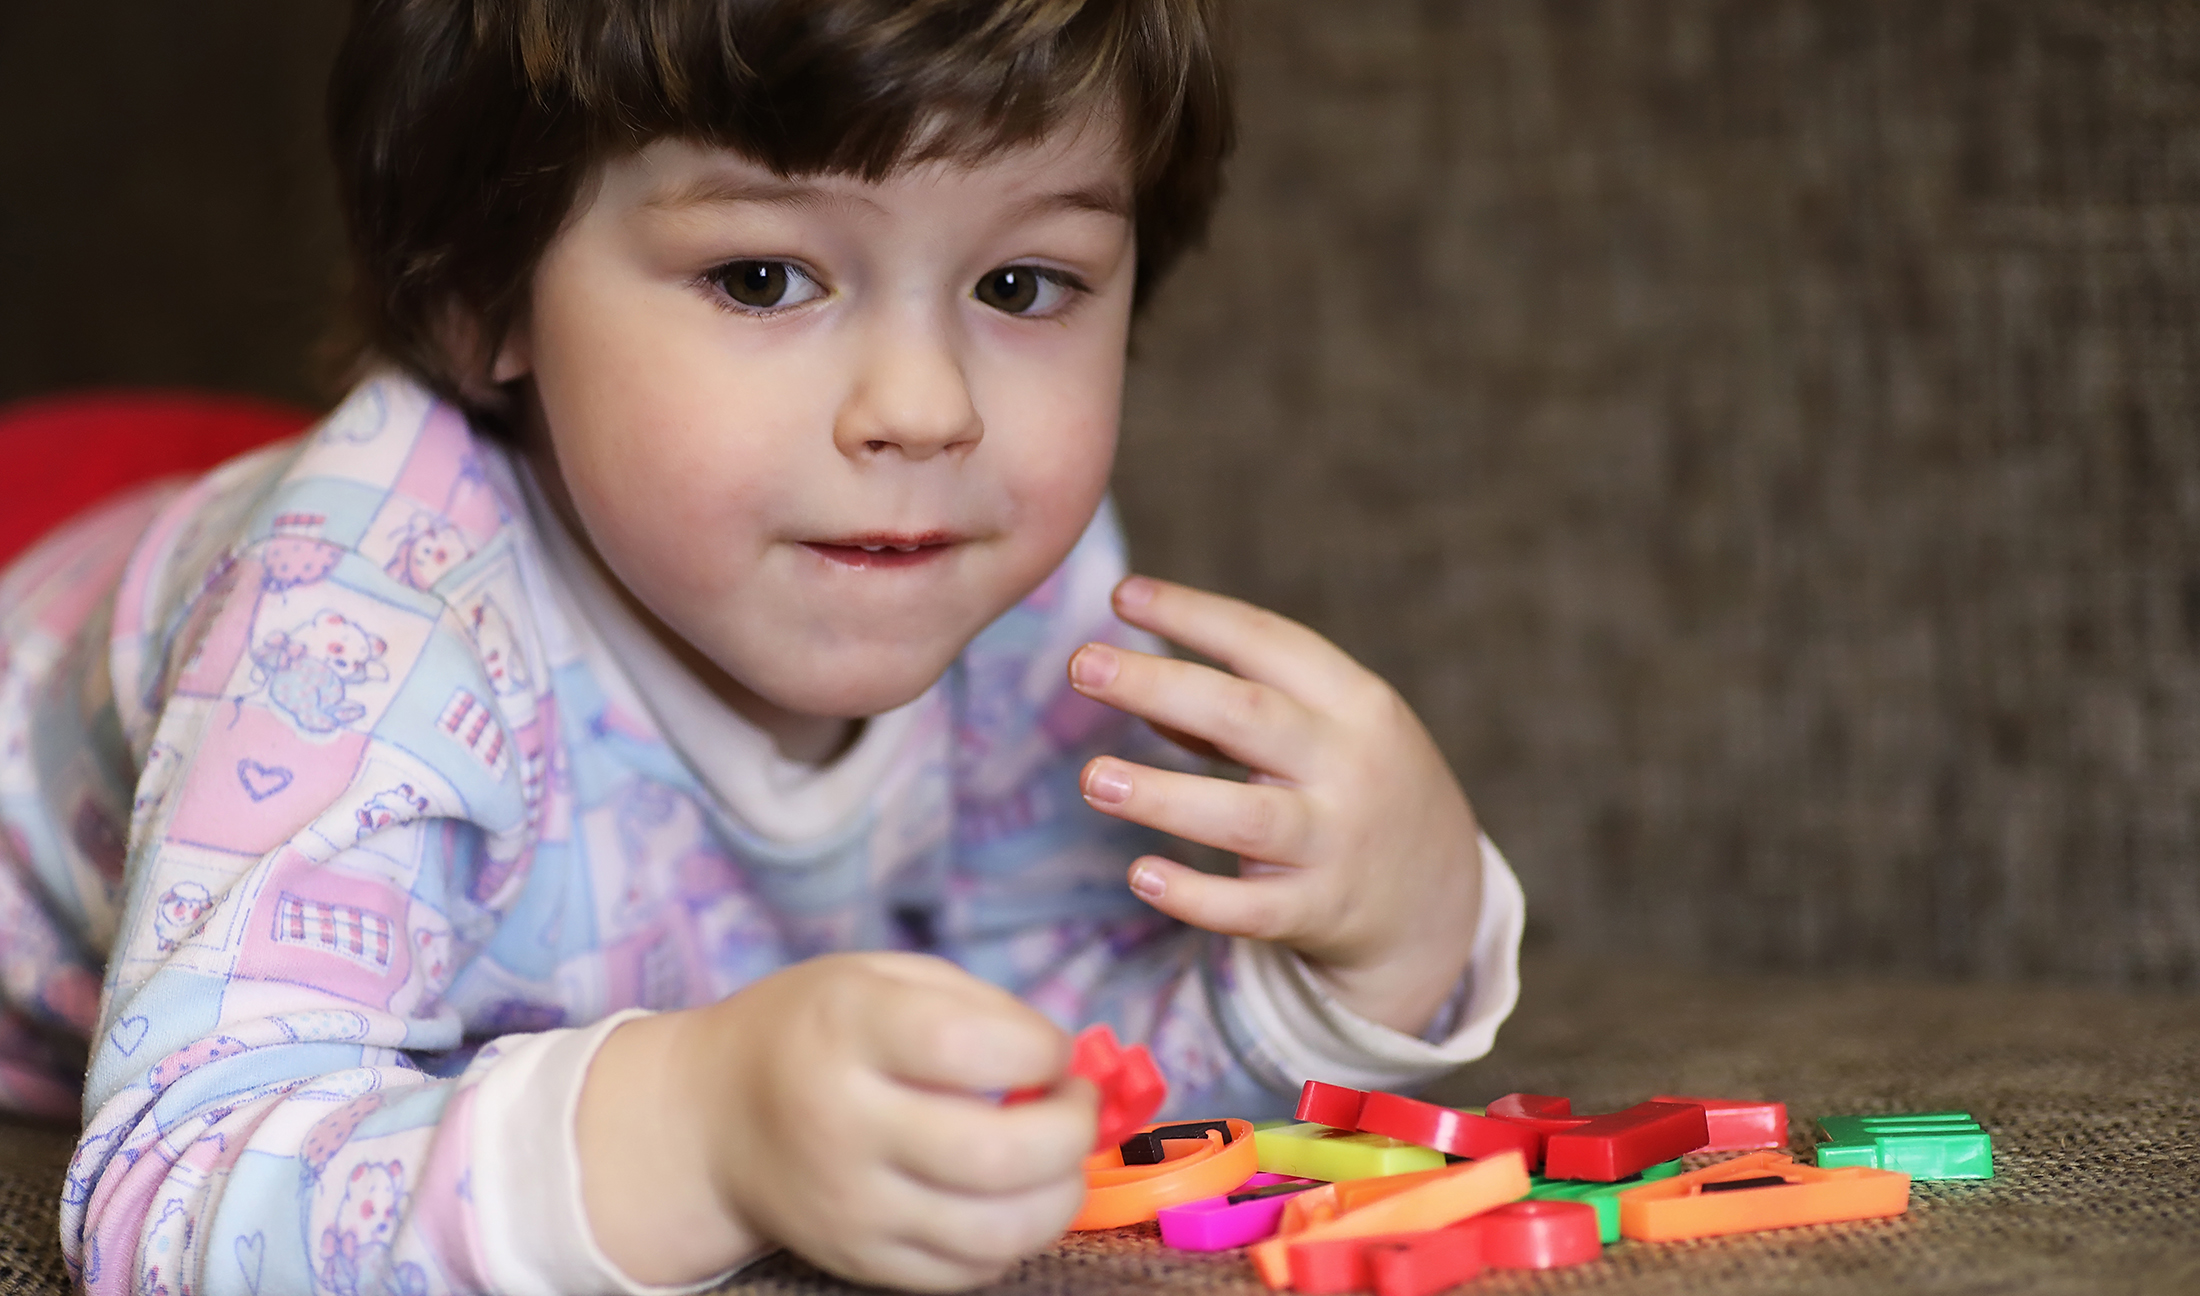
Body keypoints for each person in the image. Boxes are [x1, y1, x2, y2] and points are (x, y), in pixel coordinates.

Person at [0, 1, 1526, 1292]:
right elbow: (172, 1189)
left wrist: (1381, 952)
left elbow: (1038, 1042)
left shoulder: (993, 574)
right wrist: (699, 1131)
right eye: (762, 276)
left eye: (1019, 285)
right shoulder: (355, 636)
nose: (927, 409)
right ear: (477, 295)